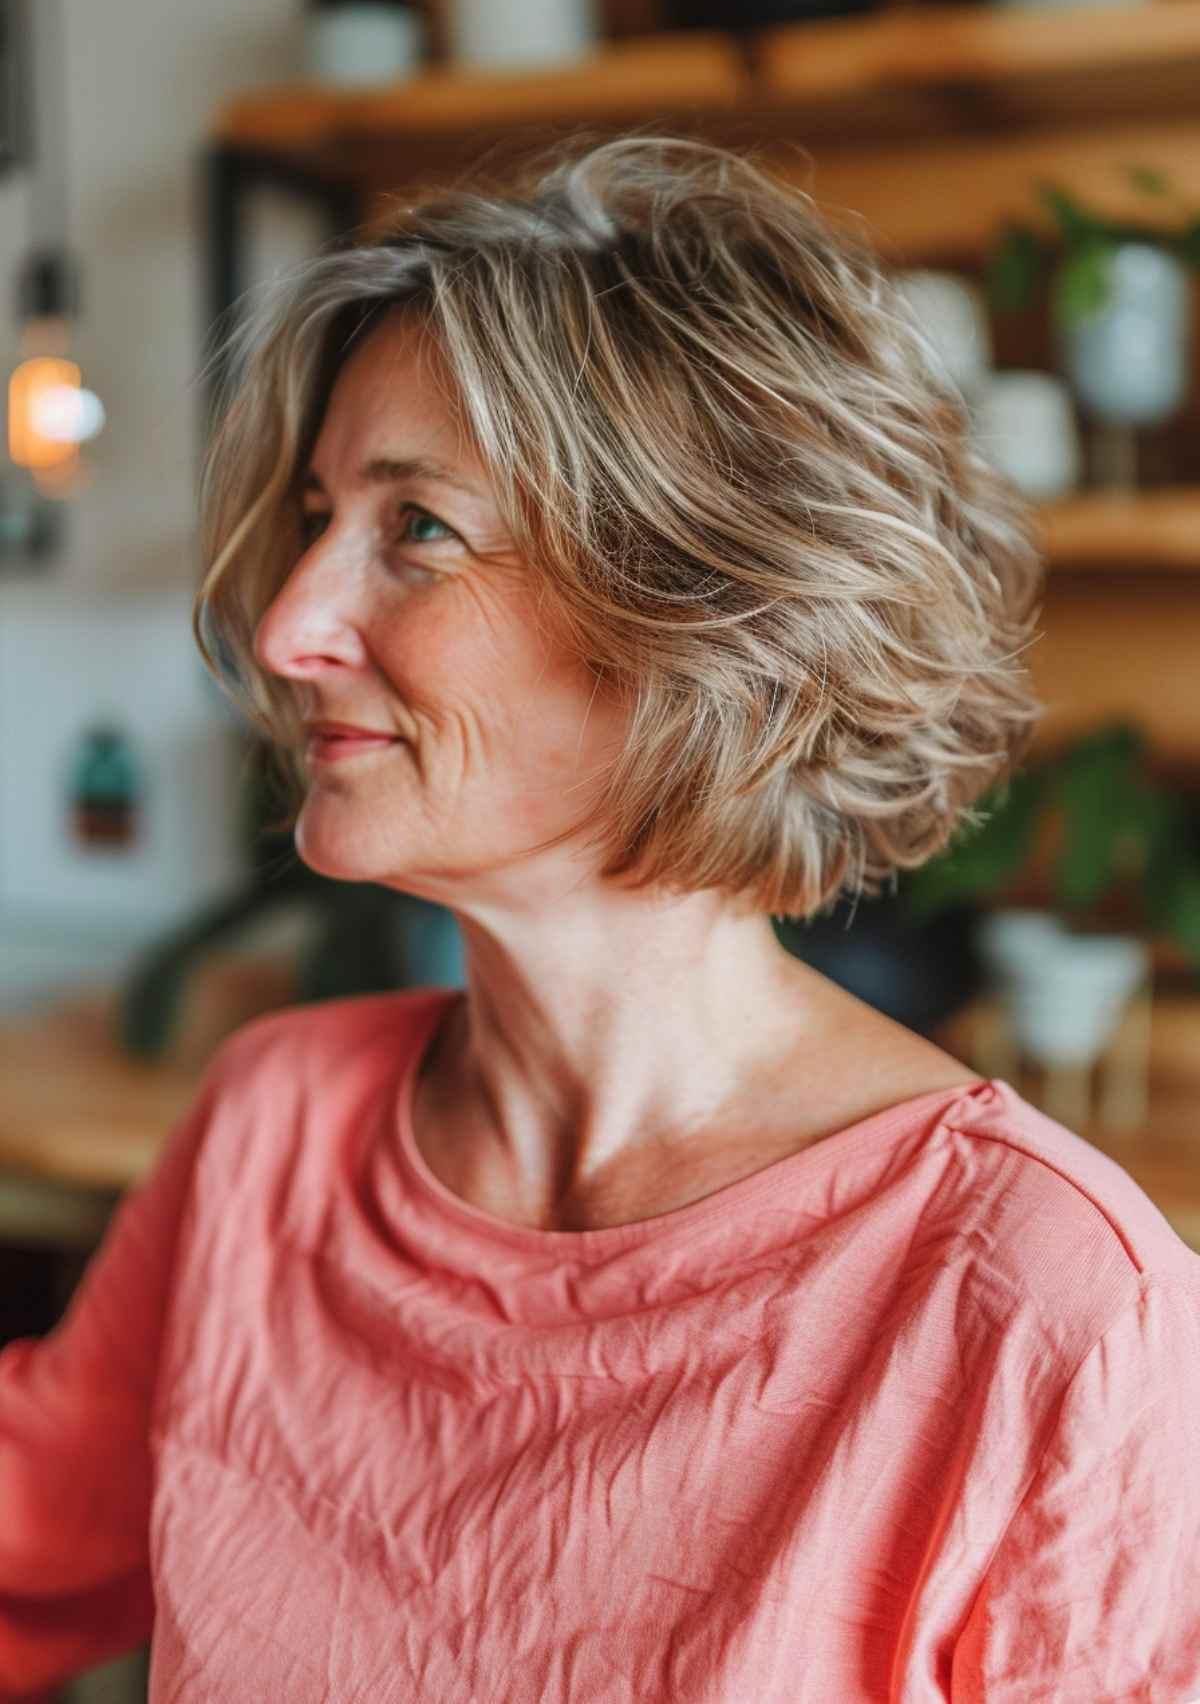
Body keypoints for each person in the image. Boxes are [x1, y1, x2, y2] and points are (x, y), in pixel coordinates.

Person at [2, 135, 1198, 1703]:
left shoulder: (1039, 1294)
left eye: (416, 527)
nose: (290, 627)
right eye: (314, 519)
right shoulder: (271, 1130)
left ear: (700, 609)